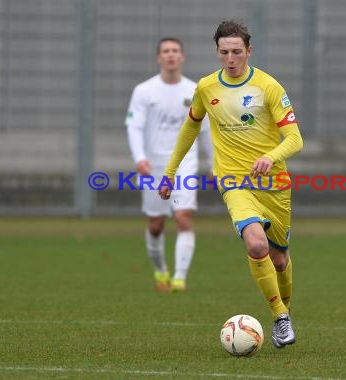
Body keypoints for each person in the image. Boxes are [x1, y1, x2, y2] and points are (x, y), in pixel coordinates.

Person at [159, 21, 303, 348]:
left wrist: (271, 155)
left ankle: (285, 309)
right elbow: (189, 129)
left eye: (237, 51)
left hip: (275, 185)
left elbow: (295, 139)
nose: (231, 58)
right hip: (233, 182)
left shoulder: (269, 87)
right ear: (217, 52)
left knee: (279, 260)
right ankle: (279, 317)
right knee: (256, 245)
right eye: (224, 52)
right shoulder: (207, 88)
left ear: (249, 51)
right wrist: (169, 172)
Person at [125, 37, 212, 293]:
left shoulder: (196, 90)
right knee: (156, 224)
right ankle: (161, 269)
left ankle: (180, 278)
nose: (171, 55)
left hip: (185, 164)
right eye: (166, 51)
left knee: (184, 217)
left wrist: (215, 163)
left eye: (175, 51)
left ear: (182, 57)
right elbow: (134, 126)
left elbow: (206, 131)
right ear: (159, 58)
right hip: (154, 166)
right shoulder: (144, 91)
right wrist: (140, 157)